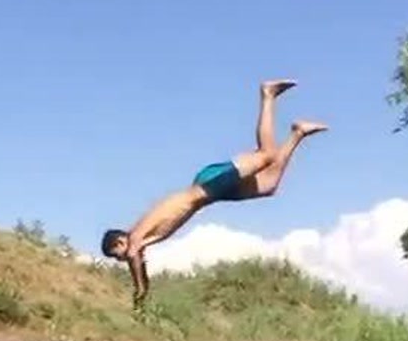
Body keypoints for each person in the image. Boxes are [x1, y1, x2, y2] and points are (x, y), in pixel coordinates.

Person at [100, 80, 327, 306]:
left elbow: (133, 256)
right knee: (269, 185)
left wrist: (140, 291)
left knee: (266, 154)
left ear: (120, 241)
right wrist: (144, 286)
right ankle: (297, 133)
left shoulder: (136, 235)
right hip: (212, 192)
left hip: (209, 184)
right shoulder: (142, 236)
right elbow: (137, 258)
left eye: (116, 255)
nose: (120, 259)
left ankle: (268, 94)